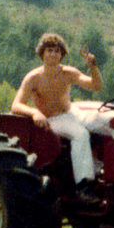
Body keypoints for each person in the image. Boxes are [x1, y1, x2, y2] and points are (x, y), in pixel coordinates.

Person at [11, 32, 104, 202]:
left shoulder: (68, 72)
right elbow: (16, 105)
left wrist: (93, 67)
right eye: (50, 50)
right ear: (42, 53)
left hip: (71, 112)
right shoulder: (34, 77)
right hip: (52, 120)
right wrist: (34, 112)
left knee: (105, 122)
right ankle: (85, 187)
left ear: (62, 54)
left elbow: (96, 86)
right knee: (80, 134)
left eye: (57, 51)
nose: (53, 54)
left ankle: (108, 171)